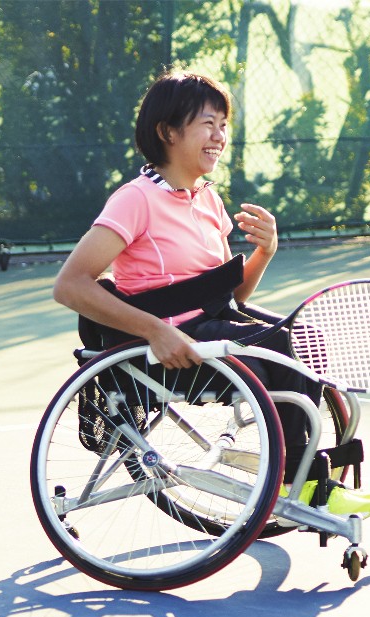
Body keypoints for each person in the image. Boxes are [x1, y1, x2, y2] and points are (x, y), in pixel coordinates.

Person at [51, 68, 322, 482]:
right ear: (168, 132)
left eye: (224, 125)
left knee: (306, 341)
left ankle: (301, 471)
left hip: (211, 329)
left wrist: (265, 252)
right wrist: (157, 332)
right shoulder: (135, 200)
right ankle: (298, 480)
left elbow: (231, 299)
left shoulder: (208, 199)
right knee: (276, 347)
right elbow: (70, 285)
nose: (219, 136)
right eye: (207, 124)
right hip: (168, 351)